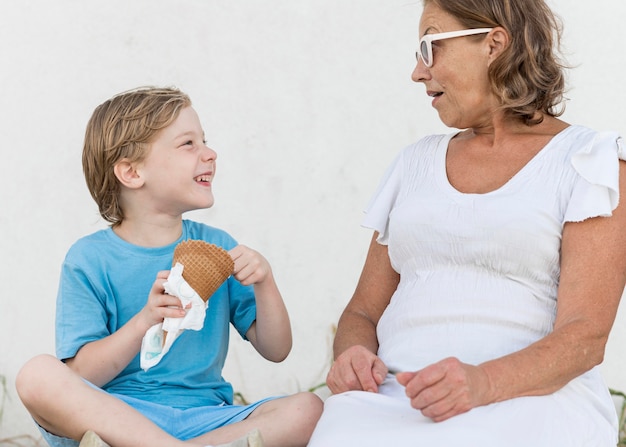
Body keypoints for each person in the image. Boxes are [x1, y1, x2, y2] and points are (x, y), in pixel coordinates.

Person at [308, 0, 626, 445]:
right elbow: (362, 310)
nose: (418, 72)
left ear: (493, 44)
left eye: (429, 46)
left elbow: (585, 337)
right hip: (391, 398)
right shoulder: (414, 163)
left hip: (530, 400)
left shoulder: (587, 162)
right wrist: (353, 355)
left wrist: (480, 384)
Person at [16, 86, 322, 447]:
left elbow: (276, 349)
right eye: (188, 144)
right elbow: (82, 375)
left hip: (208, 418)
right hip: (118, 420)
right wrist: (144, 321)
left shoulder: (219, 246)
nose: (210, 154)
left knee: (308, 408)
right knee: (36, 375)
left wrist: (265, 282)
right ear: (131, 173)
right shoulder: (89, 258)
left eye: (204, 141)